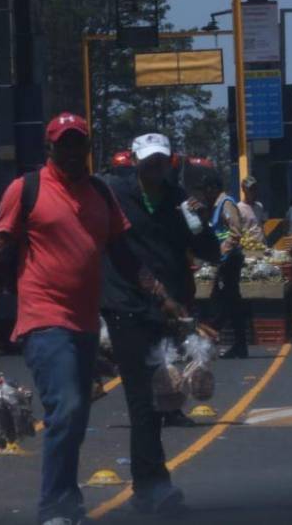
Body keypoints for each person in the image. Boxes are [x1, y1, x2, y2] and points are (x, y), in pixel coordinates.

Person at [0, 113, 186, 525]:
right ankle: (54, 507)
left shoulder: (99, 194)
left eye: (79, 144)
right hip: (43, 317)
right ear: (50, 148)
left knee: (75, 415)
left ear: (88, 149)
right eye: (64, 144)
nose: (73, 151)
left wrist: (162, 297)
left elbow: (124, 256)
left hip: (85, 320)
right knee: (67, 407)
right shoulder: (27, 190)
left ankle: (67, 501)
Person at [99, 133, 222, 514]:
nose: (155, 168)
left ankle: (151, 482)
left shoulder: (176, 200)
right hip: (129, 308)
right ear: (136, 162)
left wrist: (200, 220)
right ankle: (152, 486)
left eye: (162, 162)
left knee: (164, 397)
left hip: (169, 312)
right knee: (142, 402)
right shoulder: (115, 196)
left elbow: (209, 252)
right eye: (148, 161)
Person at [195, 170, 248, 359]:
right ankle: (238, 344)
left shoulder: (226, 204)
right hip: (223, 260)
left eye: (206, 190)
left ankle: (212, 335)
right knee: (228, 300)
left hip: (230, 259)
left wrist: (221, 252)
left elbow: (235, 232)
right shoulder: (215, 206)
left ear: (214, 189)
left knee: (225, 300)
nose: (204, 194)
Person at [237, 175, 267, 243]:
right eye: (251, 189)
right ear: (244, 190)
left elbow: (261, 225)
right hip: (249, 247)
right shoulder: (238, 208)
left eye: (255, 188)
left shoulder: (259, 206)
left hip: (261, 245)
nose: (254, 192)